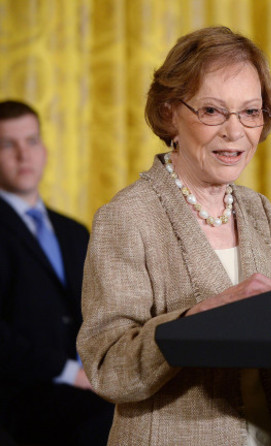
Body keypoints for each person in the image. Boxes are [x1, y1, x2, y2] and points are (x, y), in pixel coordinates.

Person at [76, 26, 271, 446]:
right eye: (213, 111)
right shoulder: (128, 217)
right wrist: (197, 321)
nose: (234, 131)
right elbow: (108, 366)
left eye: (250, 112)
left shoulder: (257, 211)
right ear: (169, 113)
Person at [0, 100, 113, 445]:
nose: (24, 155)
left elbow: (99, 310)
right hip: (22, 398)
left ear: (45, 149)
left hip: (88, 386)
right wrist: (68, 372)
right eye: (7, 145)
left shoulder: (74, 232)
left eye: (32, 141)